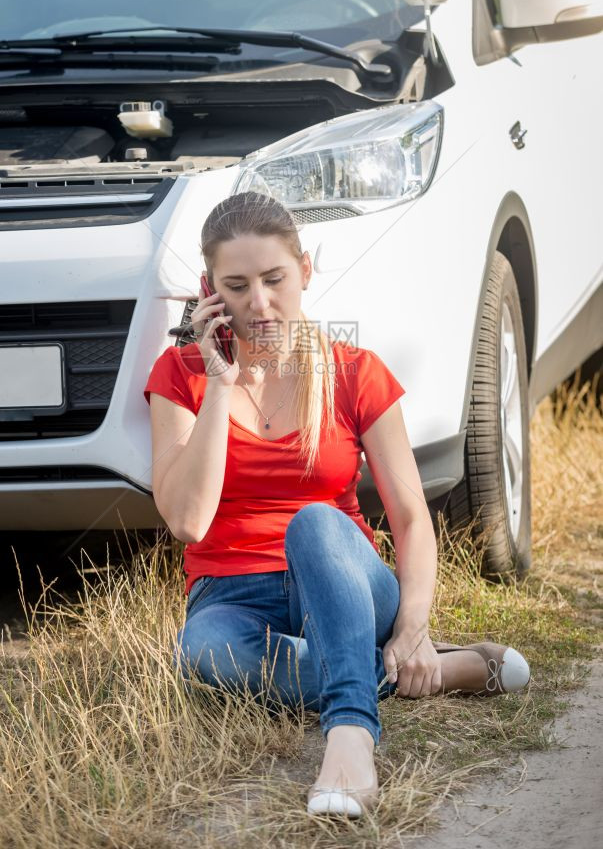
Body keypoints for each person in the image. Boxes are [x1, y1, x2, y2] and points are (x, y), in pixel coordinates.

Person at [144, 190, 531, 819]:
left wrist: (412, 628)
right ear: (209, 288)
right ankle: (415, 672)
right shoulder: (181, 374)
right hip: (231, 597)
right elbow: (188, 522)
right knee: (203, 652)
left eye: (274, 279)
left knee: (316, 523)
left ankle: (350, 734)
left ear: (305, 271)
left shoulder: (356, 372)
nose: (259, 304)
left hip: (342, 578)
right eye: (236, 286)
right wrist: (220, 382)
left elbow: (409, 517)